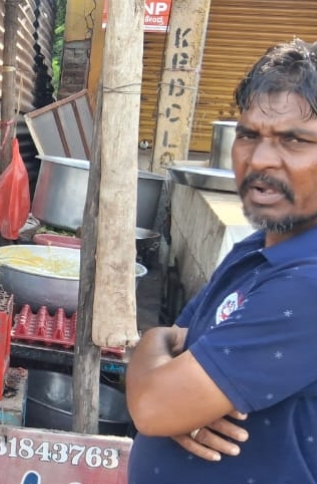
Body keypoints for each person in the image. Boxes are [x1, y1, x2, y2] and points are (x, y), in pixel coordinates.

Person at [126, 39, 317, 483]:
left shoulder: (308, 284)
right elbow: (170, 339)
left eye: (294, 140)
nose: (261, 160)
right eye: (249, 134)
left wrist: (170, 396)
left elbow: (153, 407)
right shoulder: (255, 251)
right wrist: (157, 346)